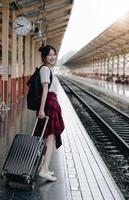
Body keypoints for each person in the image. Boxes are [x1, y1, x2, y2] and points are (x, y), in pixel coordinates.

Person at [34, 44, 65, 181]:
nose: (52, 57)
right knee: (50, 138)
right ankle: (44, 169)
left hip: (51, 103)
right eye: (49, 55)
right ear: (44, 56)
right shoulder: (45, 70)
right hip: (49, 104)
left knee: (48, 137)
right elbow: (45, 90)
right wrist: (41, 109)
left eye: (54, 54)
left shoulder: (47, 69)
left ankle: (43, 167)